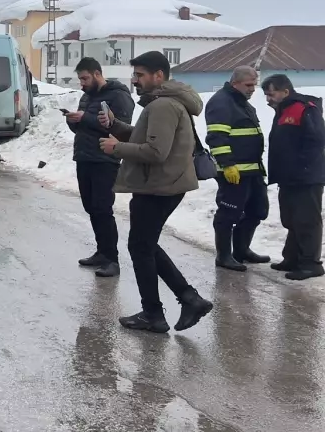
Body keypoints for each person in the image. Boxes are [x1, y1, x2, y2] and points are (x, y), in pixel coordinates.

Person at [98, 51, 213, 333]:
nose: (134, 80)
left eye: (140, 75)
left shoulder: (163, 105)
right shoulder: (165, 102)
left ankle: (154, 313)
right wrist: (116, 126)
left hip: (159, 186)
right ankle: (189, 299)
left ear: (158, 75)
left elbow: (156, 151)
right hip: (163, 184)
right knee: (144, 245)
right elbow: (147, 137)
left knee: (141, 247)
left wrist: (116, 148)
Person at [66, 57, 135, 279]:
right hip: (84, 157)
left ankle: (112, 259)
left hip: (105, 159)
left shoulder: (118, 95)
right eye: (80, 79)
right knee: (91, 207)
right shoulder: (87, 96)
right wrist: (73, 120)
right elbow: (83, 128)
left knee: (103, 208)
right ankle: (101, 252)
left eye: (85, 78)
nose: (82, 83)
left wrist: (85, 117)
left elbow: (120, 129)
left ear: (97, 74)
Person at [205, 66, 269, 271]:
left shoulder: (242, 103)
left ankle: (241, 250)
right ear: (235, 83)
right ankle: (223, 255)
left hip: (253, 170)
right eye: (248, 85)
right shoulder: (221, 102)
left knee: (257, 210)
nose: (252, 89)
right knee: (228, 214)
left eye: (254, 85)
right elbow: (216, 137)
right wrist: (227, 165)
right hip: (234, 172)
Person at [263, 74, 325, 280]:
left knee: (307, 220)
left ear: (285, 91)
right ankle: (292, 258)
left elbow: (317, 141)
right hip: (289, 178)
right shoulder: (283, 110)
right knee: (291, 219)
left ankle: (311, 264)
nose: (268, 99)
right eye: (266, 95)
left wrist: (303, 167)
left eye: (271, 94)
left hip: (306, 177)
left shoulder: (305, 108)